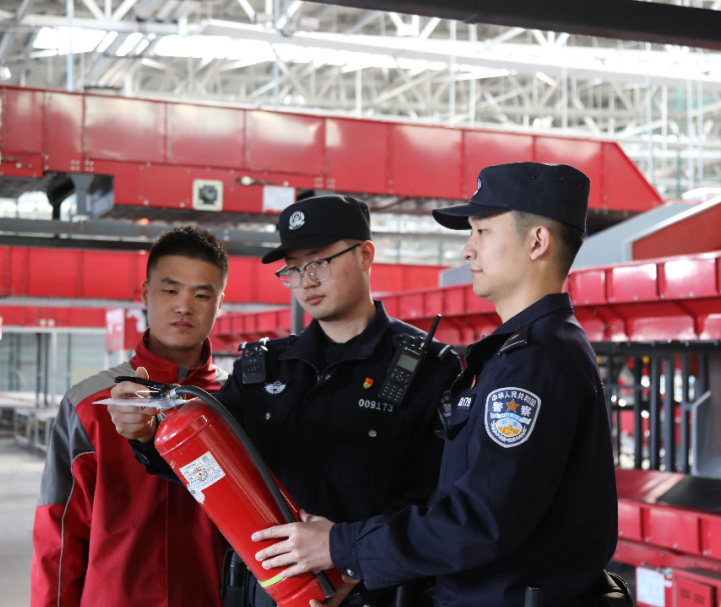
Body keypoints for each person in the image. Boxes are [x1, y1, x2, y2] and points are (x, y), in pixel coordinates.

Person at [251, 163, 620, 607]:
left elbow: (479, 520)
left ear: (537, 241)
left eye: (481, 231)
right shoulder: (528, 352)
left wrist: (341, 547)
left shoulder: (532, 363)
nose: (468, 249)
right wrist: (353, 558)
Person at [109, 195, 462, 607]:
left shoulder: (429, 370)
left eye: (319, 262)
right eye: (293, 269)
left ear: (365, 255)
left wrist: (351, 559)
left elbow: (437, 498)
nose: (306, 281)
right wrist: (149, 434)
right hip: (268, 591)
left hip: (373, 593)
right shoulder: (263, 368)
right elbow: (211, 459)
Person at [31, 226, 231, 607]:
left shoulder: (236, 404)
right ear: (145, 294)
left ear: (220, 302)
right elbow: (58, 531)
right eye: (170, 291)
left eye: (202, 294)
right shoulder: (88, 406)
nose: (184, 306)